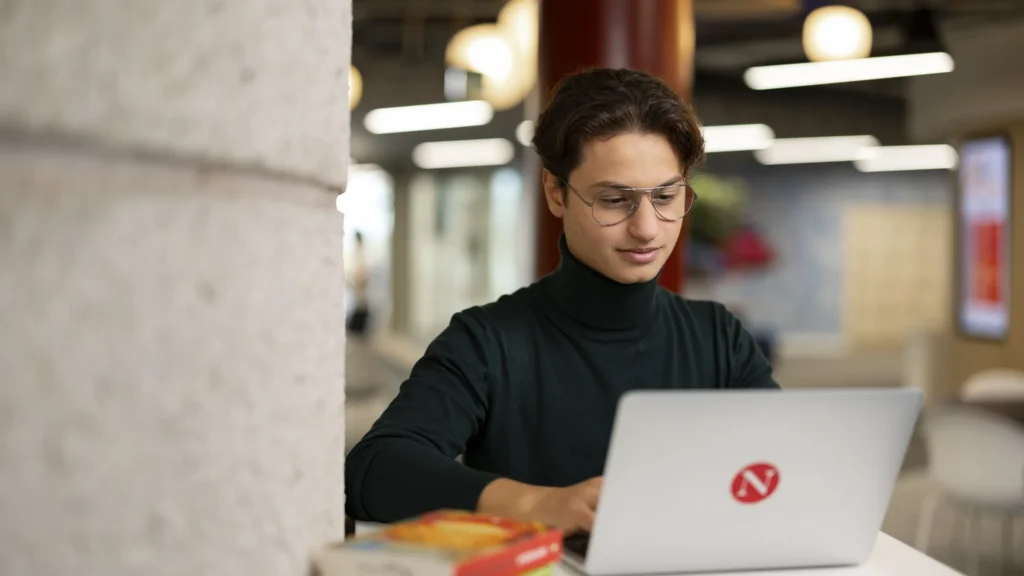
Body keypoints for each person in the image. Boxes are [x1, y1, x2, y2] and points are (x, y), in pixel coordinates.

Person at [345, 68, 779, 534]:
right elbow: (375, 470)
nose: (647, 228)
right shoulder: (488, 342)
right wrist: (536, 503)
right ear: (556, 193)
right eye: (614, 200)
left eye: (665, 196)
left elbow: (789, 464)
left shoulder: (717, 337)